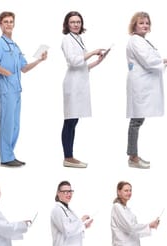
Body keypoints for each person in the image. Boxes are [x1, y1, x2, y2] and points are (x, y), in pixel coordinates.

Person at [0, 11, 47, 167]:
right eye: (5, 21)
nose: (8, 24)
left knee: (15, 125)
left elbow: (24, 68)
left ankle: (10, 154)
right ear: (0, 24)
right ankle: (5, 157)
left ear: (14, 24)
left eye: (11, 21)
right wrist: (6, 73)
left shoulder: (15, 46)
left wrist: (39, 60)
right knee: (7, 123)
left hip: (17, 90)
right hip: (6, 89)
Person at [125, 12, 167, 169]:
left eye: (147, 23)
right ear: (134, 25)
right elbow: (148, 62)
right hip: (140, 84)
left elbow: (151, 61)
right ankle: (133, 157)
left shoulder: (143, 41)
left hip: (143, 82)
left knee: (138, 119)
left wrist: (166, 61)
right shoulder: (135, 41)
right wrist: (165, 61)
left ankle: (133, 155)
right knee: (136, 120)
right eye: (141, 23)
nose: (145, 25)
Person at [61, 11, 106, 168]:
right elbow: (73, 61)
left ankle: (70, 156)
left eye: (78, 22)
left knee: (74, 120)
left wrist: (98, 61)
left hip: (80, 82)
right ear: (67, 24)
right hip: (72, 84)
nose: (76, 24)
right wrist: (92, 52)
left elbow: (82, 66)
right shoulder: (67, 39)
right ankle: (68, 157)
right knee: (70, 121)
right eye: (72, 22)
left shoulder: (78, 38)